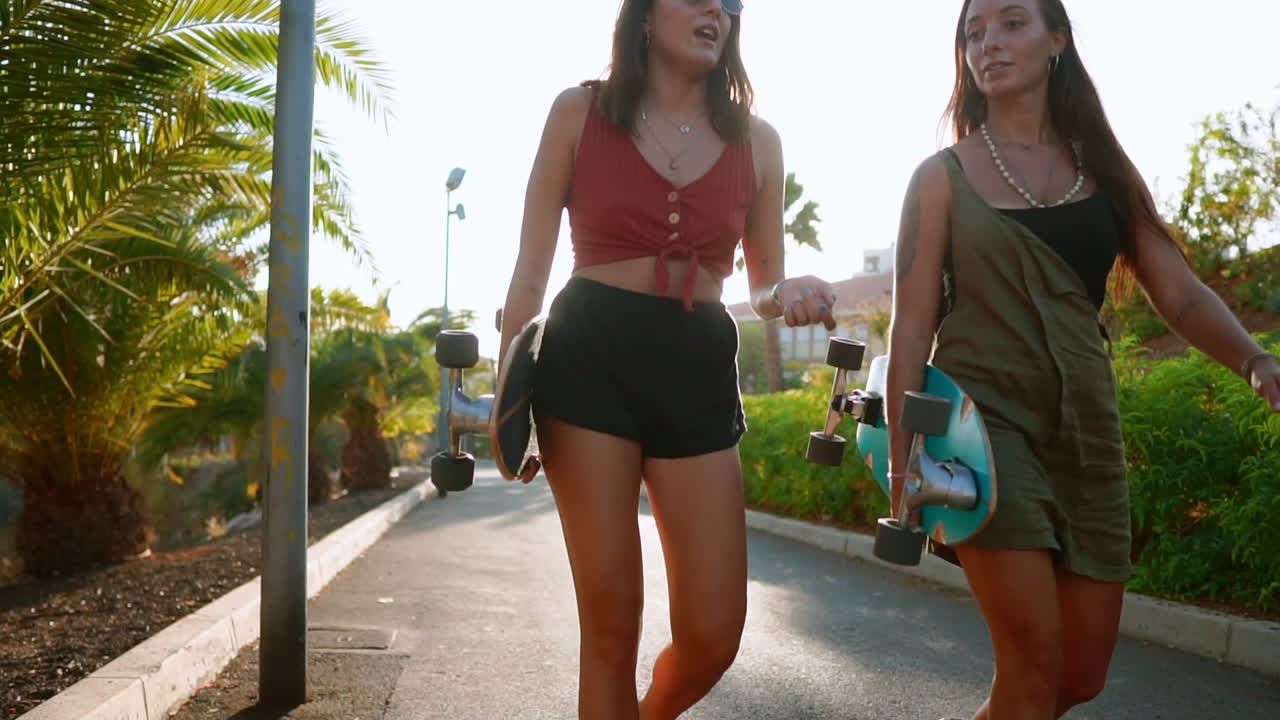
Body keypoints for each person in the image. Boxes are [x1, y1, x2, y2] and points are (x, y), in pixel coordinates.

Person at [886, 1, 1280, 719]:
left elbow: (1181, 297)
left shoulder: (1101, 169)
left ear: (1057, 42)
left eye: (1011, 24)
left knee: (1078, 678)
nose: (989, 43)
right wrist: (901, 459)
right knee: (1032, 671)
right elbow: (909, 330)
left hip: (1088, 431)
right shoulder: (941, 177)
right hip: (981, 432)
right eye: (974, 33)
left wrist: (1256, 362)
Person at [496, 1, 836, 718]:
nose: (718, 8)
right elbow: (530, 273)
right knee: (611, 624)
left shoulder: (759, 141)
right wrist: (507, 406)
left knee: (715, 634)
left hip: (696, 368)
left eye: (731, 2)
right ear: (646, 15)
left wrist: (790, 289)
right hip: (588, 357)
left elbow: (763, 282)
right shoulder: (576, 114)